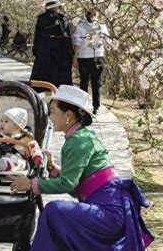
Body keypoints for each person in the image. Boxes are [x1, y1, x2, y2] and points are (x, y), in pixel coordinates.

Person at [10, 85, 154, 250]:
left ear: (68, 115)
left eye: (52, 112)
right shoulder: (79, 137)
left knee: (53, 210)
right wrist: (53, 169)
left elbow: (68, 184)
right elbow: (75, 188)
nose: (50, 117)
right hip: (107, 208)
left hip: (109, 213)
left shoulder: (79, 140)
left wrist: (30, 184)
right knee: (58, 214)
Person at [30, 0, 73, 88]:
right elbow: (66, 37)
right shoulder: (62, 19)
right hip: (61, 56)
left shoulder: (41, 19)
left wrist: (36, 51)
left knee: (42, 81)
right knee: (60, 82)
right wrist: (70, 53)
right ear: (57, 7)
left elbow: (37, 37)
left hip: (44, 55)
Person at [73, 10, 109, 115]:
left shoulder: (80, 27)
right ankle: (96, 107)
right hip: (98, 57)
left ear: (85, 15)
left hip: (84, 57)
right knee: (96, 83)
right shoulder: (102, 26)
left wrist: (75, 57)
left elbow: (77, 44)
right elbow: (106, 41)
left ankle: (82, 107)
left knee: (84, 82)